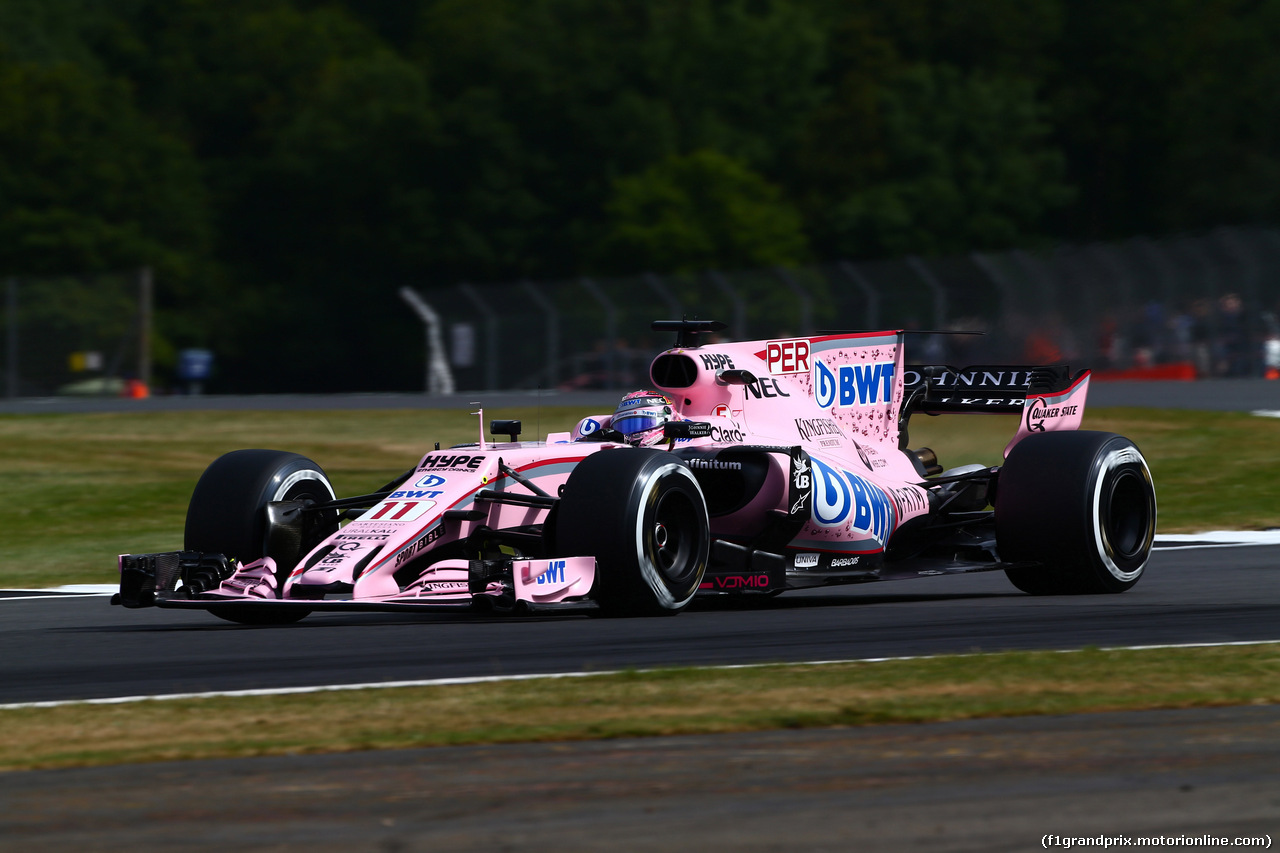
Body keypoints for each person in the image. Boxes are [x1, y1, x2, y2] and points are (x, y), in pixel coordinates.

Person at [608, 390, 679, 446]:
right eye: (624, 426)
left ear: (666, 418)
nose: (632, 436)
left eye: (643, 422)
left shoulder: (686, 446)